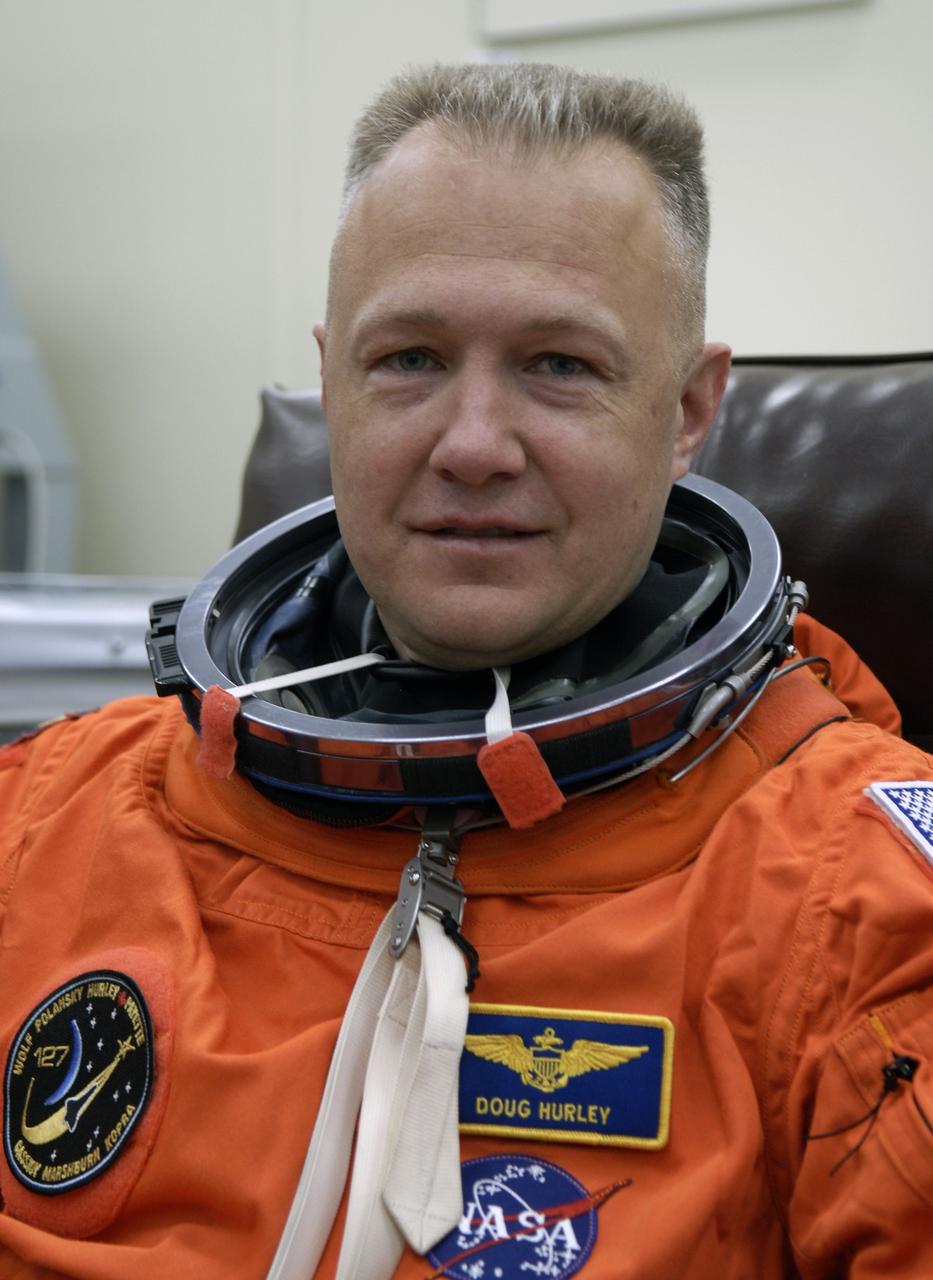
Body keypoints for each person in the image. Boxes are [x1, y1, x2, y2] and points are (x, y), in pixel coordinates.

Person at [1, 62, 931, 1280]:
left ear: (693, 406)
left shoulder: (853, 907)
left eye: (560, 365)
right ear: (332, 377)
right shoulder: (46, 821)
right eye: (409, 359)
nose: (475, 443)